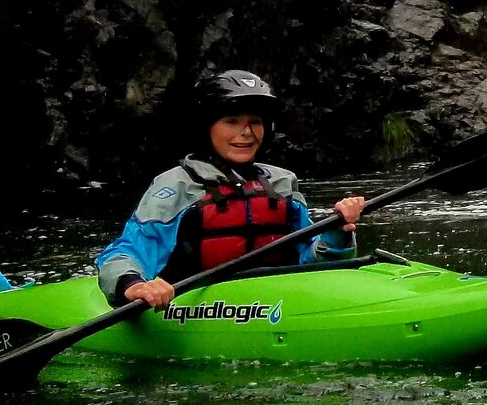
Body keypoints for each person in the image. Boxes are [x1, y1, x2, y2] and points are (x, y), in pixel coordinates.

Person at [97, 70, 368, 308]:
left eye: (256, 122)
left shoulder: (281, 183)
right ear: (205, 128)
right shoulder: (177, 185)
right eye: (232, 121)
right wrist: (133, 285)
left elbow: (311, 261)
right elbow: (126, 251)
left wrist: (336, 234)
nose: (247, 132)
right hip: (194, 304)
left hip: (279, 301)